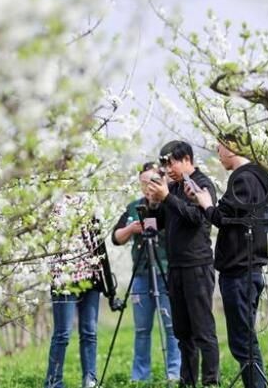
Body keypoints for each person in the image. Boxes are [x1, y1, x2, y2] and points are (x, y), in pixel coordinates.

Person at [189, 134, 268, 388]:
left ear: (232, 147)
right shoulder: (259, 177)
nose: (217, 152)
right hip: (249, 268)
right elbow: (237, 217)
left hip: (239, 270)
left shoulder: (244, 178)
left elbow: (223, 218)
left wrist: (204, 204)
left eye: (220, 147)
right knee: (244, 339)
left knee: (243, 341)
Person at [147, 141, 220, 387]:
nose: (168, 169)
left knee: (203, 331)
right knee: (182, 333)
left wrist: (167, 196)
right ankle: (187, 381)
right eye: (164, 164)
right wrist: (154, 202)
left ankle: (210, 382)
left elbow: (196, 218)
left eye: (171, 162)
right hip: (175, 267)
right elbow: (157, 224)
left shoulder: (202, 184)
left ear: (187, 158)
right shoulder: (174, 188)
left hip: (197, 266)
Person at [111, 162, 181, 382]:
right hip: (141, 273)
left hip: (165, 269)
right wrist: (131, 229)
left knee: (171, 325)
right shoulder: (134, 207)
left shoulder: (169, 204)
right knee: (142, 329)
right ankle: (140, 377)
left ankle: (174, 373)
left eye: (152, 181)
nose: (147, 186)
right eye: (143, 182)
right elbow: (116, 238)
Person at [44, 194, 101, 388]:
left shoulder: (88, 198)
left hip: (91, 274)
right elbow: (51, 233)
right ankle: (53, 382)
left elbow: (96, 236)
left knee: (90, 331)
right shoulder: (51, 199)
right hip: (64, 277)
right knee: (63, 333)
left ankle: (90, 379)